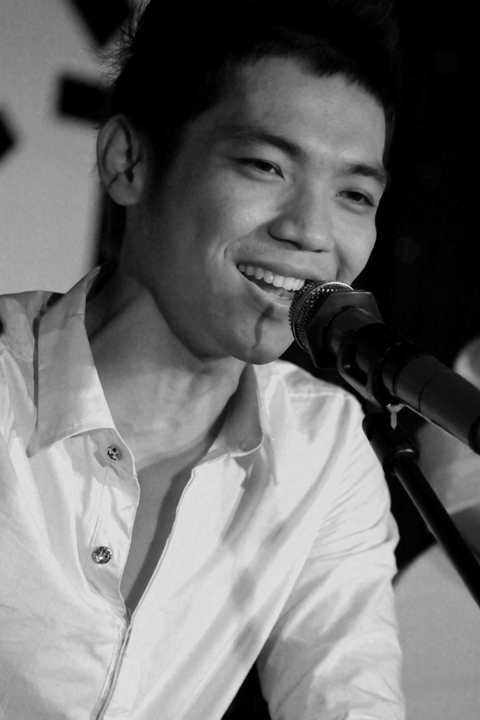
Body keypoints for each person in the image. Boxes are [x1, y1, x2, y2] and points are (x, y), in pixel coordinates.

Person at [0, 1, 404, 717]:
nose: (312, 232)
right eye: (266, 166)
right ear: (129, 161)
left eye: (354, 194)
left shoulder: (324, 448)